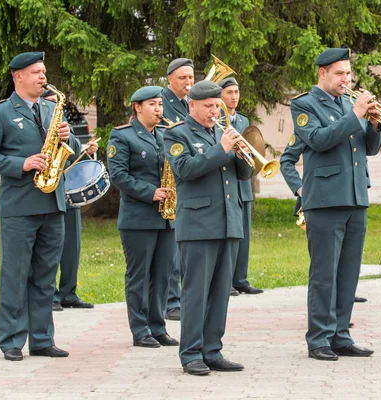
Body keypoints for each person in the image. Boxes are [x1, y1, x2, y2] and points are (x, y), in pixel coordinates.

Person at [282, 48, 381, 361]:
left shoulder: (346, 103)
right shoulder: (304, 104)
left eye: (349, 74)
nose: (347, 79)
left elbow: (370, 149)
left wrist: (376, 124)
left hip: (355, 197)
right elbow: (320, 140)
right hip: (325, 200)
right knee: (324, 274)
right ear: (323, 73)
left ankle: (341, 335)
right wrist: (355, 115)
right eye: (340, 73)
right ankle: (318, 339)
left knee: (348, 273)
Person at [0, 51, 80, 361]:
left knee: (46, 275)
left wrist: (72, 137)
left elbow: (75, 149)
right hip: (20, 206)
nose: (43, 77)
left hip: (52, 203)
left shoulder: (51, 107)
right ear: (18, 77)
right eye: (36, 72)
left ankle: (42, 339)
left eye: (43, 72)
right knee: (15, 275)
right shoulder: (0, 113)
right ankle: (11, 341)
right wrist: (22, 163)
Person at [163, 80, 253, 375]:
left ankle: (212, 350)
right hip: (198, 224)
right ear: (192, 104)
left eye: (218, 106)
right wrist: (222, 149)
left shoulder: (221, 133)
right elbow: (185, 170)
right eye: (209, 106)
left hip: (228, 222)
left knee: (219, 293)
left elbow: (242, 175)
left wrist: (241, 155)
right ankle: (190, 354)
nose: (215, 111)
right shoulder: (176, 134)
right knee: (196, 292)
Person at [107, 86, 178, 349]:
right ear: (137, 107)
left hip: (166, 218)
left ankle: (158, 327)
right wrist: (151, 192)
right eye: (153, 104)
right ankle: (140, 330)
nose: (159, 109)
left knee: (163, 275)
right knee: (139, 275)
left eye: (160, 104)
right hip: (138, 217)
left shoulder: (165, 134)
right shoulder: (122, 136)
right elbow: (118, 175)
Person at [281, 133, 369, 309]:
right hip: (321, 202)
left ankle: (339, 310)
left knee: (346, 266)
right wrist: (300, 188)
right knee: (325, 268)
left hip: (350, 200)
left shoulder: (352, 118)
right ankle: (326, 315)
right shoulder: (312, 126)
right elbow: (286, 161)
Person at [39, 89, 97, 312]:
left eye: (57, 104)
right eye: (51, 102)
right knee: (51, 247)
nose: (56, 107)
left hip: (67, 188)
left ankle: (68, 293)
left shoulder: (63, 123)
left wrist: (80, 145)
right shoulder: (38, 122)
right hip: (47, 189)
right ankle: (51, 295)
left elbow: (72, 151)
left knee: (72, 245)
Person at [218, 77, 264, 296]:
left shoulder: (243, 121)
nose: (234, 97)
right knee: (228, 236)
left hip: (243, 183)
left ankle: (240, 279)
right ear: (220, 96)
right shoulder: (215, 120)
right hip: (225, 183)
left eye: (236, 92)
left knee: (244, 235)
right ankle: (225, 281)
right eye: (229, 92)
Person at [161, 58, 195, 321]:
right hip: (169, 177)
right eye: (183, 78)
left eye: (191, 78)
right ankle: (172, 301)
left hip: (188, 179)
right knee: (172, 250)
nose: (188, 83)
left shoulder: (188, 104)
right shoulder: (161, 103)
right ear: (170, 78)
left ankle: (182, 298)